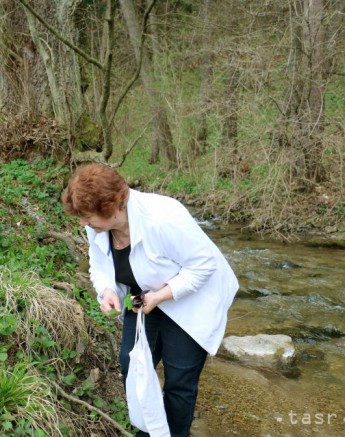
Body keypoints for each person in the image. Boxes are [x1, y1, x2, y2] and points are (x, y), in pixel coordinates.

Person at [61, 164, 238, 437]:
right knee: (132, 365)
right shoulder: (96, 228)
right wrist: (107, 290)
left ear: (112, 207)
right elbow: (99, 265)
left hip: (190, 299)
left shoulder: (164, 217)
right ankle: (150, 430)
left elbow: (204, 265)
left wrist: (161, 295)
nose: (83, 223)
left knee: (179, 382)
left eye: (87, 216)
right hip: (143, 297)